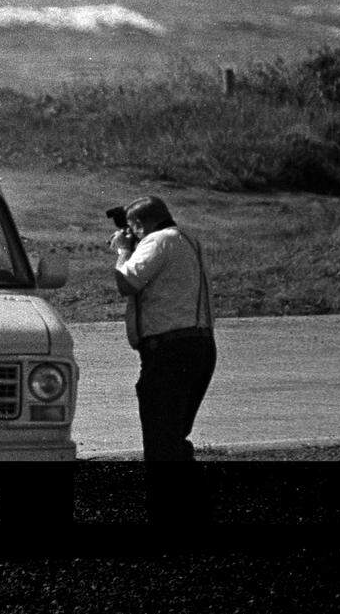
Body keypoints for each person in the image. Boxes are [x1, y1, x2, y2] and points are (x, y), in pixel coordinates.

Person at [109, 196, 216, 523]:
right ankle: (191, 507)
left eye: (132, 228)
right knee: (173, 436)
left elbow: (126, 282)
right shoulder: (189, 239)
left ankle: (166, 512)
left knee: (160, 437)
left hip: (169, 350)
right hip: (199, 346)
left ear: (141, 225)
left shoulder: (157, 241)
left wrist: (122, 251)